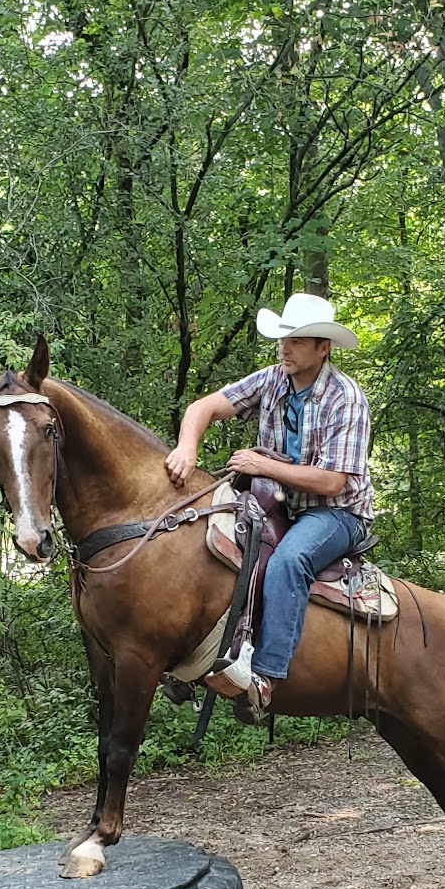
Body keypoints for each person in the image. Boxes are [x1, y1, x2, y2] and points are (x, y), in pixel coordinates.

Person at [165, 293, 373, 713]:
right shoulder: (273, 379)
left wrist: (261, 464)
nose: (285, 347)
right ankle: (199, 658)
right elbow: (204, 407)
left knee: (288, 561)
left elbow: (333, 481)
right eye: (283, 338)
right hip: (279, 503)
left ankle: (264, 678)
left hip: (338, 513)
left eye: (297, 340)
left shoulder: (345, 397)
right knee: (218, 538)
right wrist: (187, 448)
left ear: (323, 347)